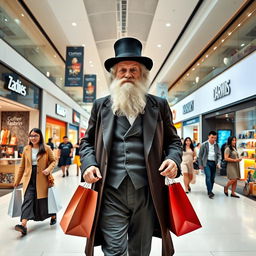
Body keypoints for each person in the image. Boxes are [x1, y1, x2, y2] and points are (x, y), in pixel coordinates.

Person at [79, 37, 182, 256]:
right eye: (122, 70)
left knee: (140, 250)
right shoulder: (100, 106)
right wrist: (88, 164)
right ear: (114, 74)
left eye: (133, 70)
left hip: (147, 191)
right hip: (110, 190)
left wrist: (173, 159)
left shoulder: (159, 105)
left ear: (142, 74)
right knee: (114, 249)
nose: (127, 75)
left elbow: (174, 142)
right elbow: (86, 142)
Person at [13, 128, 57, 235]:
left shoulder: (46, 148)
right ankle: (23, 225)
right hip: (29, 179)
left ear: (40, 136)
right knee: (27, 199)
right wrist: (17, 180)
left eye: (35, 135)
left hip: (43, 178)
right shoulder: (26, 149)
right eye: (31, 136)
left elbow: (53, 161)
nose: (33, 138)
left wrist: (48, 169)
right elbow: (22, 166)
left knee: (44, 200)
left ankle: (53, 215)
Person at [198, 131, 221, 199]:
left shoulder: (217, 145)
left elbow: (219, 155)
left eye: (215, 138)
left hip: (214, 163)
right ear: (208, 137)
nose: (213, 139)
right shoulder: (204, 144)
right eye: (212, 137)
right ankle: (209, 192)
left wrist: (219, 163)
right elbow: (200, 155)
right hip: (206, 163)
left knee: (212, 178)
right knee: (208, 176)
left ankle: (210, 189)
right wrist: (200, 164)